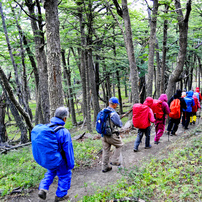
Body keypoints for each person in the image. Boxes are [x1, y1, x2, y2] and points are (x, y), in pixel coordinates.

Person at [38, 107, 74, 202]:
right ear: (64, 118)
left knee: (50, 173)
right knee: (64, 175)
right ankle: (60, 196)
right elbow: (68, 150)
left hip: (50, 158)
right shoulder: (64, 132)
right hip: (61, 160)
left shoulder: (47, 128)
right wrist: (70, 164)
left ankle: (43, 188)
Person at [101, 97, 123, 173]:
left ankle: (105, 167)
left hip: (103, 135)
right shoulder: (113, 113)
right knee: (119, 145)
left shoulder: (103, 111)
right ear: (115, 104)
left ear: (108, 103)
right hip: (112, 134)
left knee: (105, 150)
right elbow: (119, 124)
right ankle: (114, 160)